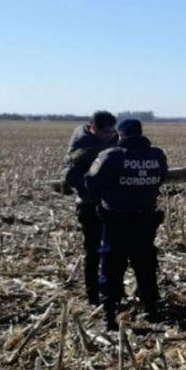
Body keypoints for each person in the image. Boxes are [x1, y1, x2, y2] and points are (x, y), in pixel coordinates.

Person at [85, 119, 167, 330]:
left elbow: (91, 183)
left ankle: (109, 313)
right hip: (145, 220)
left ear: (120, 135)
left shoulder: (111, 156)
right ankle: (151, 308)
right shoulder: (157, 156)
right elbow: (161, 178)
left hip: (116, 221)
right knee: (146, 264)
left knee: (112, 266)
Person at [63, 111, 118, 304]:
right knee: (94, 251)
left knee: (113, 251)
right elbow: (70, 176)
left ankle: (112, 291)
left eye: (113, 131)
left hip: (110, 205)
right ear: (93, 128)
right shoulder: (81, 146)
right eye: (106, 131)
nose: (111, 135)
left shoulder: (113, 139)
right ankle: (93, 296)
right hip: (89, 205)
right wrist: (94, 186)